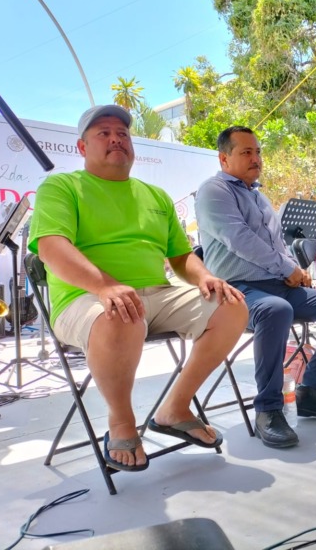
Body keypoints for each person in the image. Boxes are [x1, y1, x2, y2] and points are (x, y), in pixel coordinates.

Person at [29, 105, 249, 472]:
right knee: (122, 314)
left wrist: (205, 276)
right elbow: (51, 247)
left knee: (233, 305)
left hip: (156, 294)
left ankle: (176, 408)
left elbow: (181, 257)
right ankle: (121, 423)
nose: (116, 138)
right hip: (85, 300)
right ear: (82, 148)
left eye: (123, 133)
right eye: (103, 133)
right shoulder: (62, 186)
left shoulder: (155, 195)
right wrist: (106, 286)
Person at [195, 125, 316, 450]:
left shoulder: (259, 196)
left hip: (277, 284)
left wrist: (294, 270)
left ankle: (312, 391)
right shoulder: (213, 191)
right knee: (276, 310)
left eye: (257, 152)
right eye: (246, 152)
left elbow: (277, 245)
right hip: (236, 290)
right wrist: (289, 269)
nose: (256, 158)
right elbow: (241, 241)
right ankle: (269, 409)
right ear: (224, 158)